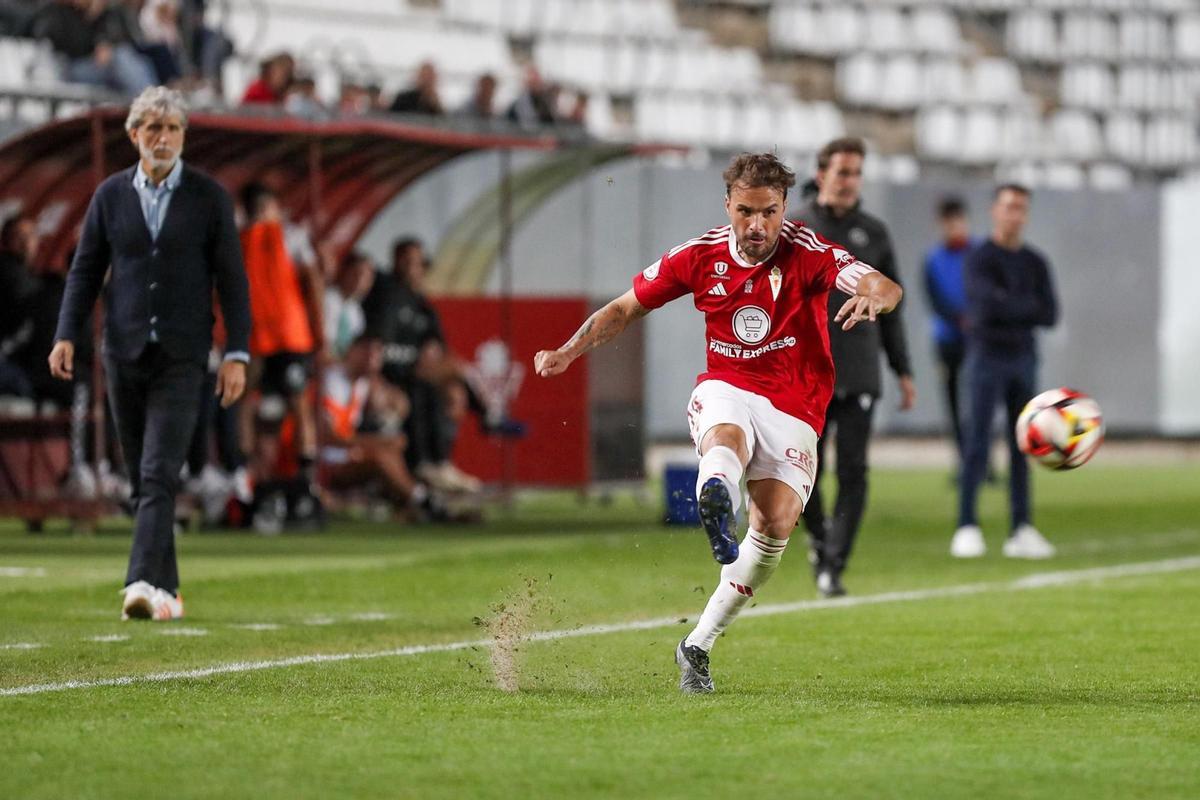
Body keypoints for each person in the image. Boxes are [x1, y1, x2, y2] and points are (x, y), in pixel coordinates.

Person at [534, 152, 902, 694]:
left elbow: (883, 284)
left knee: (775, 524)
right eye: (747, 211)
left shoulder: (810, 251)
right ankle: (715, 496)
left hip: (796, 407)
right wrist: (569, 350)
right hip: (727, 384)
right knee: (725, 431)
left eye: (770, 213)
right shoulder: (698, 255)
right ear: (728, 205)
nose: (757, 226)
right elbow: (624, 308)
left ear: (784, 209)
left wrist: (874, 299)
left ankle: (697, 644)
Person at [49, 86, 250, 621]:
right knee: (142, 476)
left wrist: (238, 353)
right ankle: (170, 592)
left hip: (184, 354)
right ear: (134, 135)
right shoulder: (110, 196)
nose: (163, 138)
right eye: (153, 128)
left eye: (173, 128)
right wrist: (66, 333)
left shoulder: (209, 198)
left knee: (160, 469)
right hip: (123, 350)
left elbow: (232, 281)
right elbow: (85, 270)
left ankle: (139, 581)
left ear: (184, 136)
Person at [794, 137, 915, 598]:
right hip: (806, 370)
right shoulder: (797, 226)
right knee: (805, 469)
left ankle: (833, 565)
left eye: (856, 173)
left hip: (860, 367)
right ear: (822, 173)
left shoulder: (875, 233)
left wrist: (903, 370)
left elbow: (894, 307)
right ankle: (821, 541)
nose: (850, 182)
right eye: (843, 172)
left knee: (854, 471)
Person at [951, 184, 1058, 560]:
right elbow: (981, 308)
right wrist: (1019, 306)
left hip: (1023, 360)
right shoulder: (979, 258)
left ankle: (1021, 527)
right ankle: (967, 525)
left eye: (1021, 207)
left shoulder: (1035, 262)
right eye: (1008, 206)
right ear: (995, 211)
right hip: (986, 359)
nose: (1015, 213)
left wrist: (1007, 305)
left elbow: (1050, 313)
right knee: (977, 442)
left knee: (1024, 445)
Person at [363, 237, 481, 494]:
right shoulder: (383, 294)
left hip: (414, 377)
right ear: (394, 261)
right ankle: (425, 465)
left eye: (416, 262)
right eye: (405, 261)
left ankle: (440, 463)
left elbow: (439, 348)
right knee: (420, 390)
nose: (410, 267)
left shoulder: (423, 305)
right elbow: (373, 345)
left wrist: (441, 362)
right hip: (388, 378)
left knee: (451, 390)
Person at [238, 183, 322, 493]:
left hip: (290, 335)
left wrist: (318, 327)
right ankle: (246, 472)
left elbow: (313, 279)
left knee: (298, 401)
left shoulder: (291, 236)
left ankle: (306, 473)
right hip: (257, 336)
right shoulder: (237, 239)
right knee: (245, 401)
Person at [923, 196, 975, 471]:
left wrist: (975, 318)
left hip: (978, 340)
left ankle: (983, 461)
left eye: (958, 221)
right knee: (954, 401)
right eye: (949, 222)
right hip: (948, 340)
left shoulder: (978, 253)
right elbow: (934, 298)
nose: (954, 227)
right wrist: (959, 318)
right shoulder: (933, 259)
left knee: (980, 402)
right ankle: (963, 460)